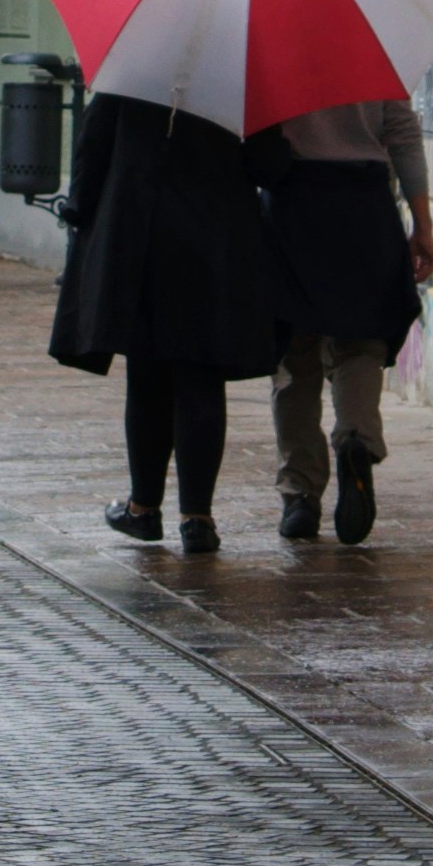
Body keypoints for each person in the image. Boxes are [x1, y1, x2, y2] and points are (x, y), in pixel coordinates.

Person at [46, 91, 281, 555]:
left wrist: (80, 209)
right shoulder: (236, 74)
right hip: (214, 242)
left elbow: (93, 146)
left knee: (148, 374)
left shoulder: (135, 63)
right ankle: (198, 519)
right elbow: (270, 164)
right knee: (201, 374)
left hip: (140, 236)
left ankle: (143, 509)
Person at [250, 85, 433, 546]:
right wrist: (423, 224)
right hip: (364, 205)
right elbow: (403, 134)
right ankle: (356, 437)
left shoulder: (269, 44)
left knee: (294, 354)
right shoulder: (368, 42)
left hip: (294, 204)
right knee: (360, 342)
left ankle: (299, 494)